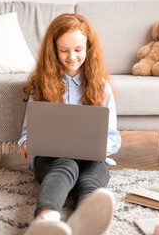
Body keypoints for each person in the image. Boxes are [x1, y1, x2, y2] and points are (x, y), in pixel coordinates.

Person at [18, 13, 121, 235]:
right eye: (64, 50)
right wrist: (27, 143)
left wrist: (96, 149)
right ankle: (44, 220)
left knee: (92, 176)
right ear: (53, 50)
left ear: (88, 49)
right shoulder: (42, 86)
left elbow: (113, 137)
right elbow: (27, 133)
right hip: (51, 161)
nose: (71, 57)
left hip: (91, 159)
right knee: (66, 164)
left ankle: (86, 222)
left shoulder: (101, 87)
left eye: (78, 50)